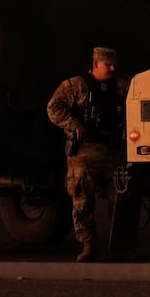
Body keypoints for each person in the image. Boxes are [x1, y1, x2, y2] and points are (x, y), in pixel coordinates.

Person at [46, 45, 127, 262]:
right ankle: (88, 246)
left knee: (120, 200)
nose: (111, 68)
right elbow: (54, 107)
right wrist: (73, 124)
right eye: (107, 64)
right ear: (95, 64)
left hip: (111, 151)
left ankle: (121, 246)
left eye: (114, 64)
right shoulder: (77, 85)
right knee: (82, 201)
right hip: (84, 152)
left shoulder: (120, 87)